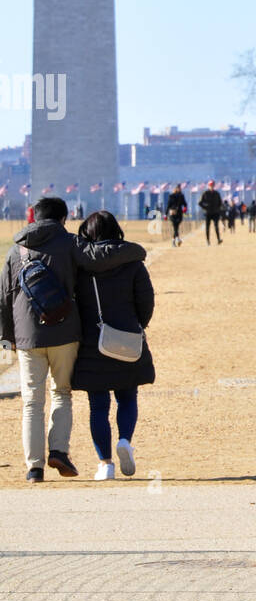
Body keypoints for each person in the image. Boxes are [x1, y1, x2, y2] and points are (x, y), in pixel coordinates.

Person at [0, 196, 146, 482]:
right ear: (63, 219)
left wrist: (7, 338)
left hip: (27, 336)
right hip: (65, 333)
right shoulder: (69, 243)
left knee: (31, 402)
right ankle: (58, 450)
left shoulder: (16, 250)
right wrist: (136, 251)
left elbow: (3, 298)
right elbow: (101, 257)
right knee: (61, 393)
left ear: (34, 217)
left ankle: (34, 468)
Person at [70, 211, 155, 481]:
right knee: (127, 397)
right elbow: (146, 301)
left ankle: (105, 464)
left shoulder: (81, 266)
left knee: (98, 406)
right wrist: (137, 324)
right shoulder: (133, 262)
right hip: (127, 337)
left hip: (93, 340)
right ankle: (125, 440)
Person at [199, 181, 223, 245]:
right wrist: (205, 207)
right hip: (208, 213)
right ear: (208, 186)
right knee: (207, 227)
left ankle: (218, 239)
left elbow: (220, 202)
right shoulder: (205, 193)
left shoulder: (216, 193)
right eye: (210, 185)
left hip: (215, 213)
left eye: (212, 185)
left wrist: (218, 209)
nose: (211, 186)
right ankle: (208, 241)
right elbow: (200, 203)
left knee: (216, 226)